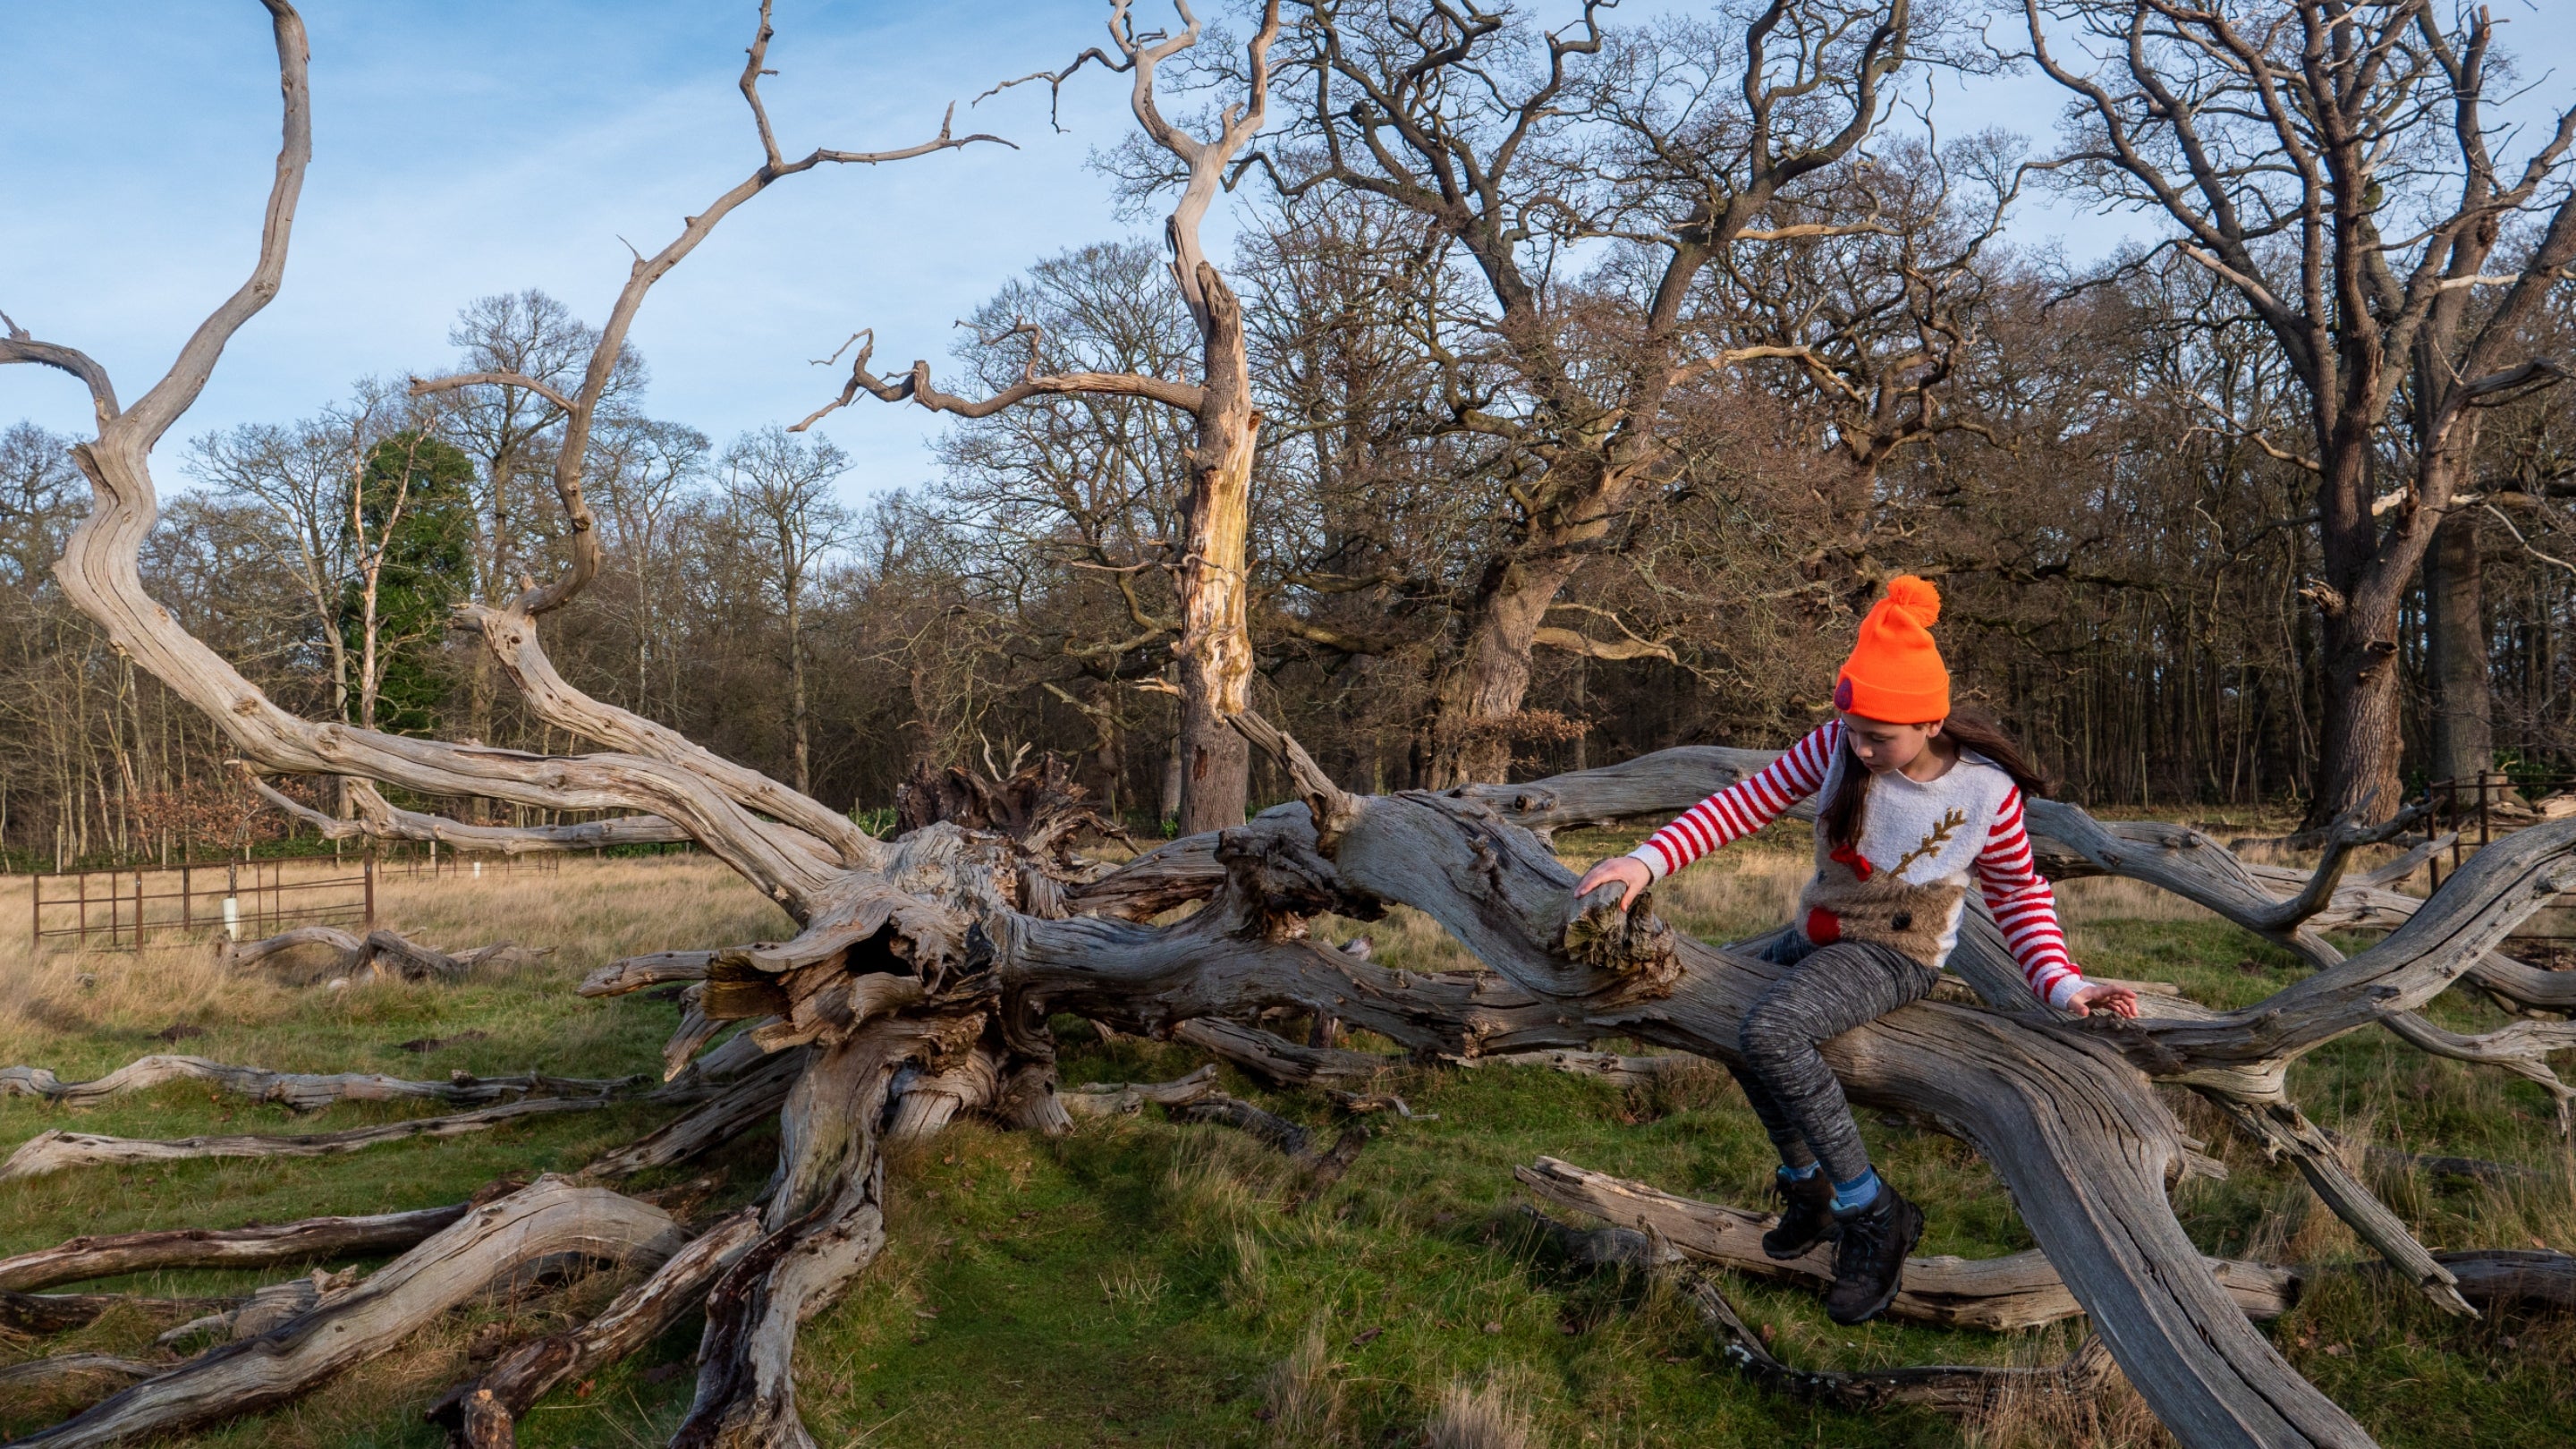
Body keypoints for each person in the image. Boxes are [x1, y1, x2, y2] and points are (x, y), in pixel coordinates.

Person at [1572, 575, 2139, 1326]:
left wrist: (2066, 988)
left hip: (1894, 957)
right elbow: (1743, 803)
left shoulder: (1984, 795)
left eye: (1881, 735)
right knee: (1723, 1019)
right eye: (1855, 730)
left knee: (1774, 1029)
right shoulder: (1837, 748)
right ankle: (1805, 1183)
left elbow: (2021, 897)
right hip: (1818, 934)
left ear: (1930, 721)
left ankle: (1871, 1210)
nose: (1863, 747)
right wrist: (1645, 863)